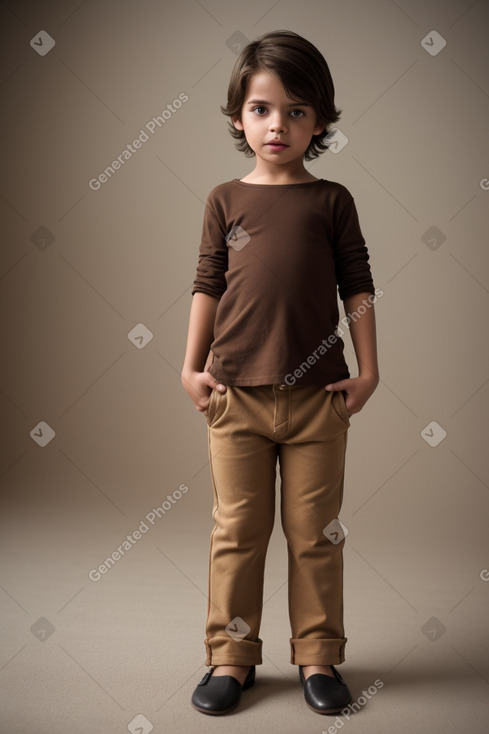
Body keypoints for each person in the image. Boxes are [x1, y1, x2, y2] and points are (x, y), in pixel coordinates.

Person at [181, 29, 379, 717]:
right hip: (234, 395)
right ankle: (230, 658)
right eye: (263, 109)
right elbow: (207, 283)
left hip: (317, 397)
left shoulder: (332, 201)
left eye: (297, 111)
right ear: (239, 116)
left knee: (315, 533)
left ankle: (317, 655)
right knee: (236, 532)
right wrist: (190, 366)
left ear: (319, 121)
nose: (278, 124)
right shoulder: (223, 200)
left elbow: (357, 285)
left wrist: (369, 369)